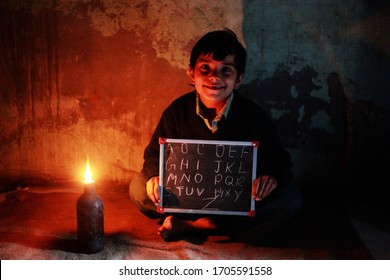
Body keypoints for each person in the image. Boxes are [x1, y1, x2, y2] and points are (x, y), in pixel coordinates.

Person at [129, 29, 302, 245]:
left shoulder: (254, 116)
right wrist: (154, 176)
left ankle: (197, 226)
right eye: (205, 68)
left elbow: (279, 159)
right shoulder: (176, 112)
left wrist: (272, 177)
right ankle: (221, 227)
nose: (215, 77)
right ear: (192, 73)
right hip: (187, 199)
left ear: (238, 79)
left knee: (291, 196)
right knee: (138, 187)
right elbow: (154, 154)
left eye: (226, 70)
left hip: (234, 203)